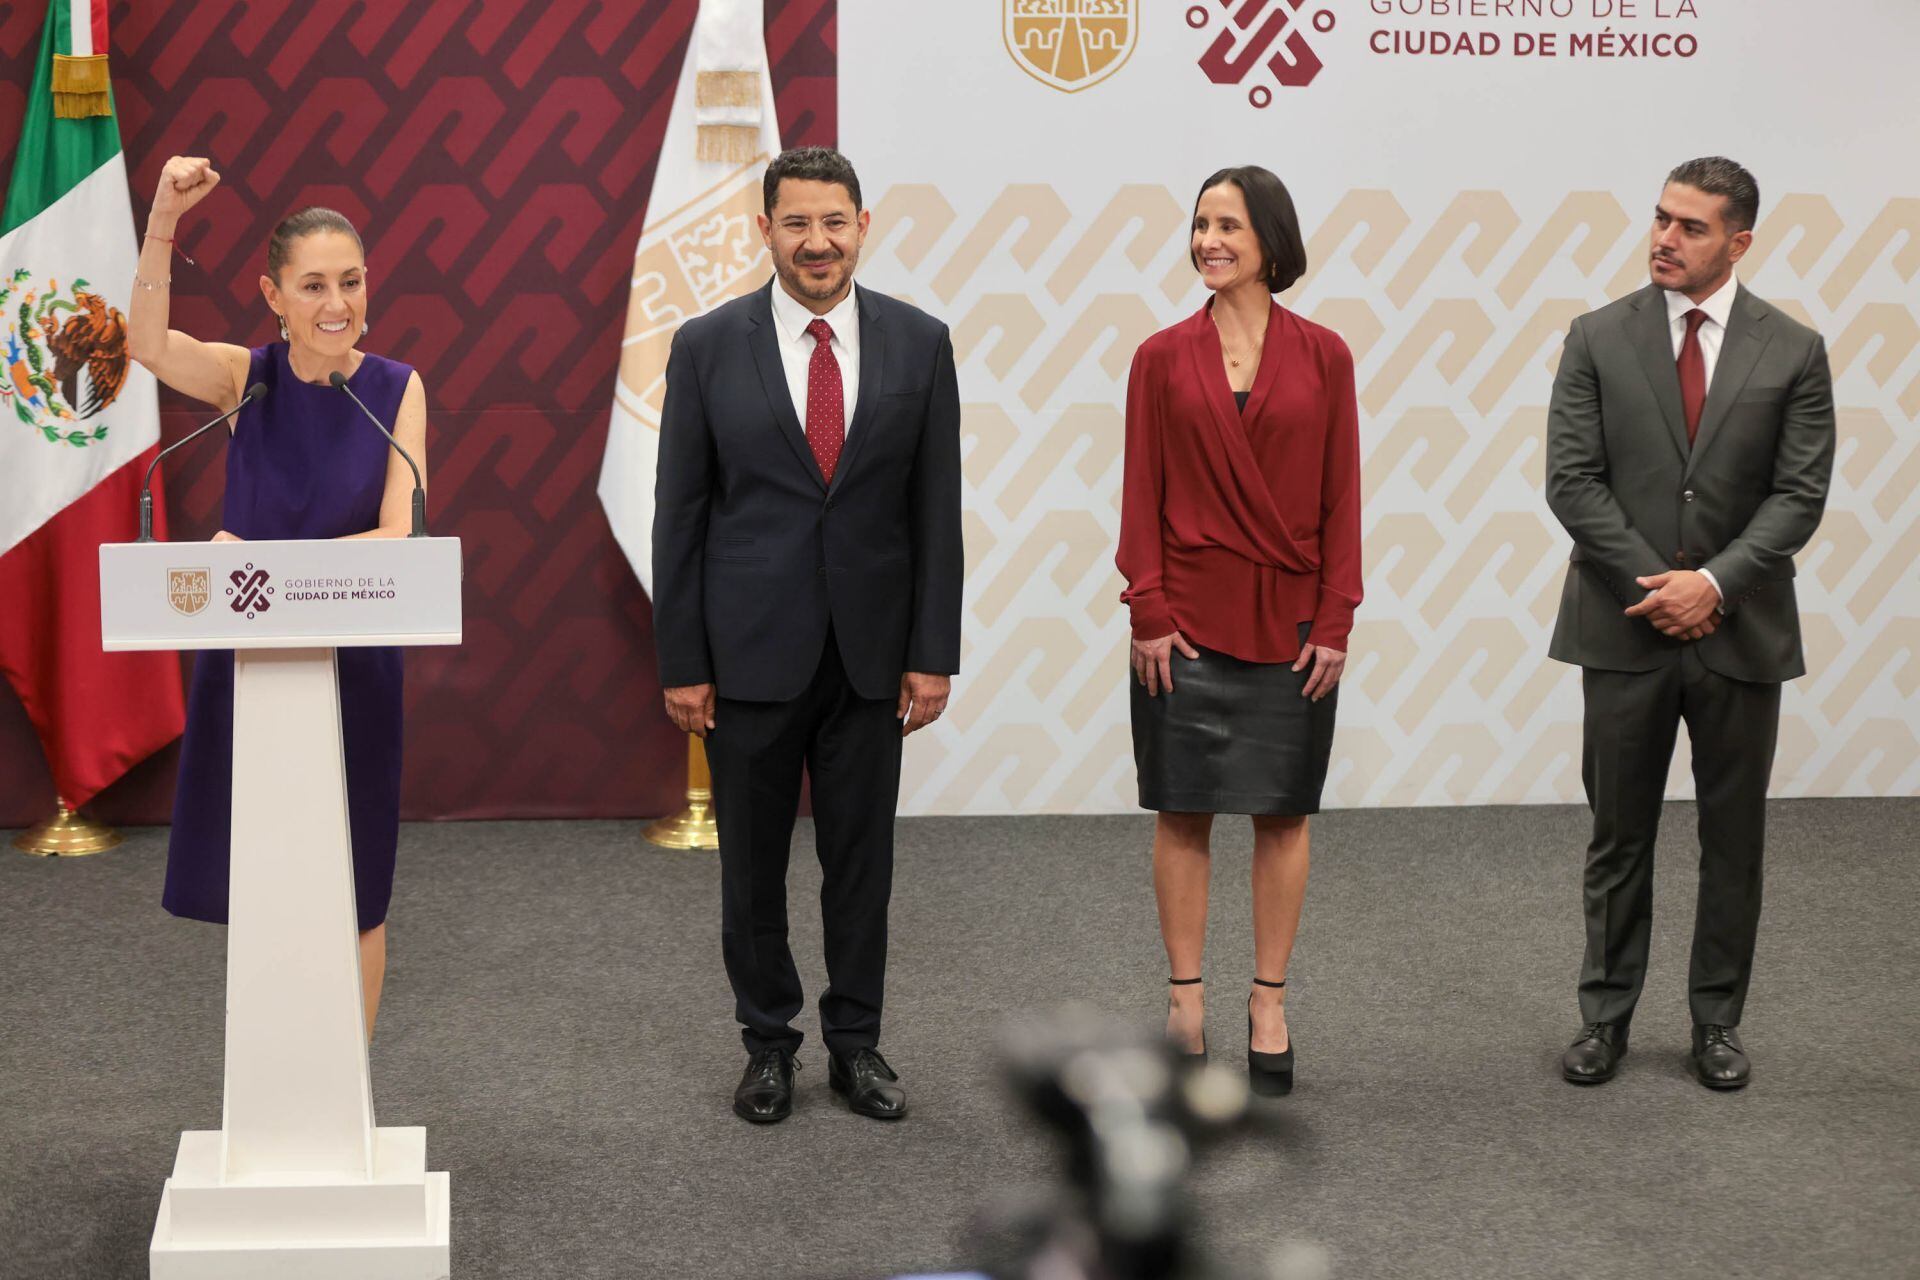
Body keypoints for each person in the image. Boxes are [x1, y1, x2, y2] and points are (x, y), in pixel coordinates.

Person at [651, 147, 963, 1124]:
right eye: (796, 223)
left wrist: (933, 649)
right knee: (751, 868)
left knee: (861, 864)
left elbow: (935, 512)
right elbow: (681, 516)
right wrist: (683, 660)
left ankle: (858, 1044)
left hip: (872, 657)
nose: (817, 242)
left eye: (834, 222)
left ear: (863, 225)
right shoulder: (706, 346)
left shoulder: (920, 343)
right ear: (765, 230)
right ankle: (769, 1043)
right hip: (746, 656)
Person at [1546, 157, 1834, 1090]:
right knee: (1618, 836)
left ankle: (1717, 1023)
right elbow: (1573, 482)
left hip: (1739, 631)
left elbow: (1798, 497)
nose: (1665, 238)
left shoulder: (1793, 350)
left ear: (1739, 241)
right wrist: (1662, 583)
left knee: (1732, 839)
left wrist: (1712, 583)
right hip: (1623, 627)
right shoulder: (1597, 336)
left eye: (1692, 226)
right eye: (1661, 219)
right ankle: (1605, 1019)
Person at [128, 156, 429, 1041]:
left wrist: (264, 564)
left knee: (356, 888)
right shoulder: (244, 378)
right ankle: (278, 1076)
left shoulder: (394, 390)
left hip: (357, 667)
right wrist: (161, 223)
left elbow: (398, 533)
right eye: (313, 285)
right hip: (253, 665)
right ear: (273, 294)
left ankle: (347, 1092)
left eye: (351, 281)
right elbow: (147, 346)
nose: (336, 302)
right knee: (265, 879)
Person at [1115, 166, 1362, 1097]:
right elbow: (1141, 489)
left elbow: (1344, 496)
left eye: (1227, 224)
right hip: (1181, 622)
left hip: (1294, 622)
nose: (1208, 239)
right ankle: (1184, 1001)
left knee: (1281, 814)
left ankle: (1268, 999)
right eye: (1199, 224)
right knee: (1183, 812)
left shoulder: (1328, 355)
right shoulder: (1159, 356)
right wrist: (1147, 606)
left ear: (1271, 240)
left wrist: (1337, 616)